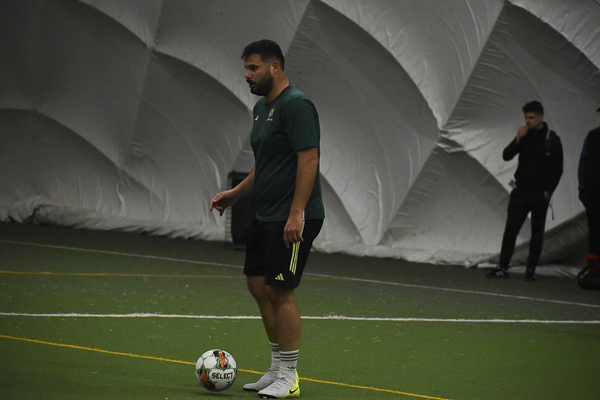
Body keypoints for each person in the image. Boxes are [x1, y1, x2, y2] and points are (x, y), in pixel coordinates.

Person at [210, 39, 324, 399]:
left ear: (274, 67)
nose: (247, 74)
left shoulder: (297, 105)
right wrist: (235, 193)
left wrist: (296, 214)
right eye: (245, 68)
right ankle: (275, 369)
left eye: (253, 67)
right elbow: (266, 165)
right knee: (258, 286)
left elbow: (308, 158)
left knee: (279, 291)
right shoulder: (261, 108)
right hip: (265, 213)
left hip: (293, 217)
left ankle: (289, 377)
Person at [487, 101, 563, 281]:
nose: (528, 121)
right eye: (526, 118)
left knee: (537, 232)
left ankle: (531, 269)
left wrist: (548, 192)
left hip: (539, 194)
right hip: (520, 192)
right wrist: (518, 138)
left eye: (531, 118)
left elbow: (557, 169)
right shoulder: (525, 135)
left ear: (541, 117)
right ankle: (503, 267)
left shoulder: (552, 139)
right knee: (511, 229)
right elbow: (506, 156)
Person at [576, 107, 600, 286]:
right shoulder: (592, 136)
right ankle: (595, 268)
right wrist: (582, 187)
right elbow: (582, 162)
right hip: (592, 193)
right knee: (595, 232)